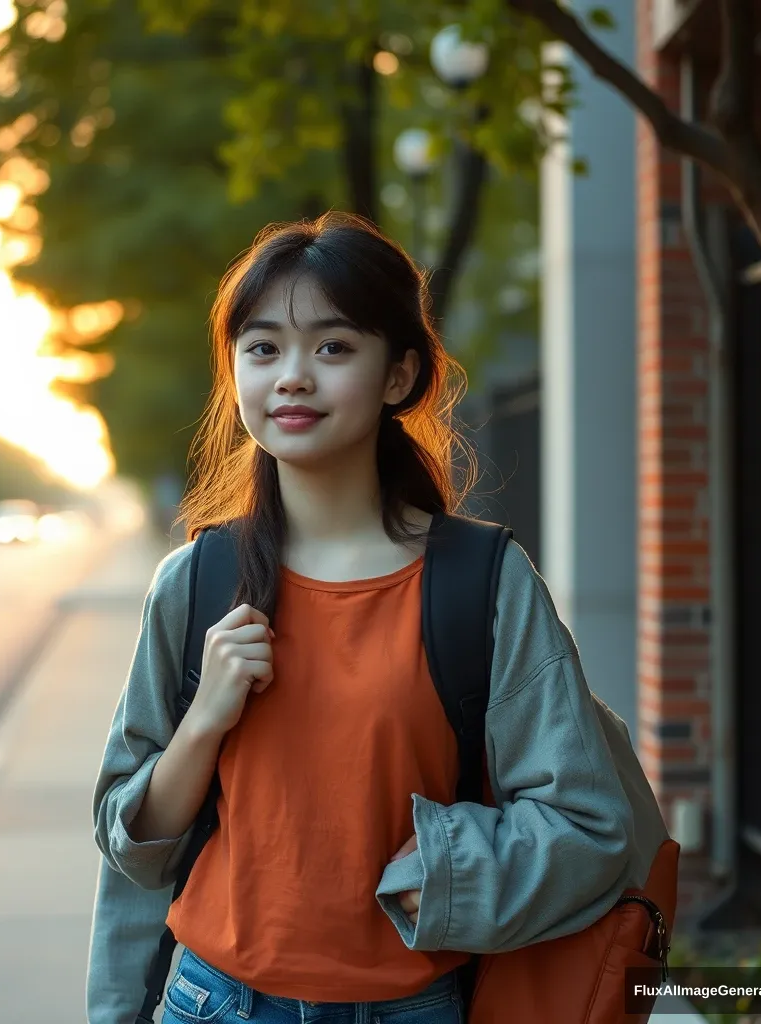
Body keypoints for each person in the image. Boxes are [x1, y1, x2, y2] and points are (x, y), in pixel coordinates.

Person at [88, 213, 661, 1024]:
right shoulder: (195, 583)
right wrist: (203, 723)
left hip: (414, 1009)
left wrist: (446, 872)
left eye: (332, 347)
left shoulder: (482, 584)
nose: (291, 376)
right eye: (262, 348)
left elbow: (588, 824)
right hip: (212, 1001)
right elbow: (126, 839)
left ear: (398, 375)